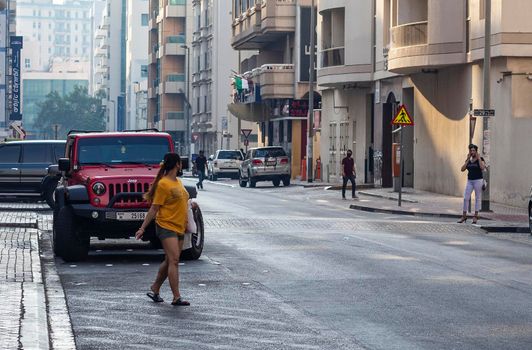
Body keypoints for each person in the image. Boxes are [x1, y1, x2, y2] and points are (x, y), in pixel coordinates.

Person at [135, 153, 191, 306]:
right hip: (166, 226)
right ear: (177, 164)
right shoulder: (163, 184)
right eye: (180, 163)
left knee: (169, 260)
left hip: (180, 226)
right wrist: (142, 228)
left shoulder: (178, 182)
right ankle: (176, 297)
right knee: (174, 260)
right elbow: (154, 209)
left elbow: (183, 200)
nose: (182, 165)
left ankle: (155, 288)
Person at [458, 144, 486, 224]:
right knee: (466, 198)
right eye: (471, 150)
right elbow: (462, 169)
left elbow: (482, 167)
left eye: (474, 150)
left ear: (476, 151)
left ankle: (475, 216)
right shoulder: (469, 160)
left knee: (477, 198)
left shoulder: (480, 159)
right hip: (470, 180)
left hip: (478, 180)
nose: (472, 152)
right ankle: (464, 216)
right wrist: (467, 159)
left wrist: (479, 158)